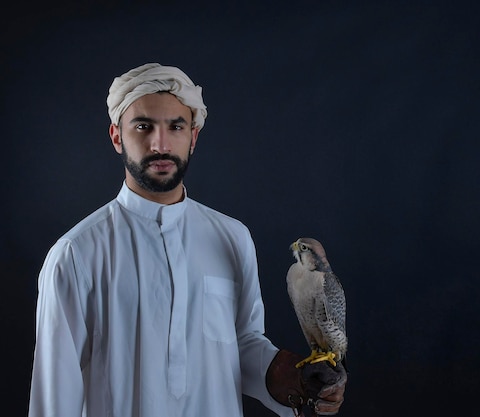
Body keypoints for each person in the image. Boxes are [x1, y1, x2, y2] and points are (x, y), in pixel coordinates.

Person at [27, 63, 347, 417]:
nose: (160, 143)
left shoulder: (232, 237)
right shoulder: (77, 254)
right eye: (143, 126)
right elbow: (55, 394)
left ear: (193, 137)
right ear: (117, 136)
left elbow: (240, 345)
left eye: (176, 126)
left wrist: (289, 377)